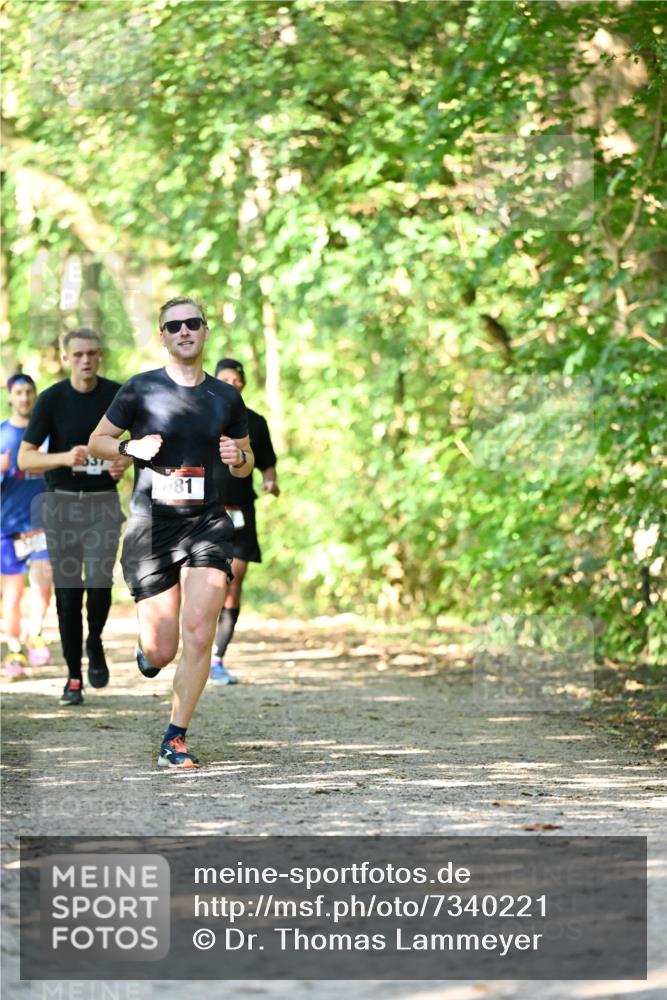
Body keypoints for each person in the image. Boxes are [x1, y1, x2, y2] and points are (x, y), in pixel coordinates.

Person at [88, 297, 253, 770]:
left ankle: (175, 737)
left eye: (192, 324)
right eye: (174, 325)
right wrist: (130, 446)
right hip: (153, 526)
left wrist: (238, 458)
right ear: (162, 335)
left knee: (199, 633)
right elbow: (98, 442)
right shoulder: (140, 390)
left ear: (205, 330)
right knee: (163, 648)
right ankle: (148, 651)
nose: (184, 331)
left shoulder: (225, 397)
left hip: (206, 523)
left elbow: (243, 464)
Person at [18, 329, 128, 705]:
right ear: (67, 358)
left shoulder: (117, 394)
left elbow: (141, 443)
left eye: (93, 353)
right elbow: (25, 457)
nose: (86, 360)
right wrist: (66, 457)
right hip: (62, 504)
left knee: (98, 585)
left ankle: (94, 640)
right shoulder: (51, 399)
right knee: (67, 596)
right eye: (79, 354)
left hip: (102, 505)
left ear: (100, 356)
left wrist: (123, 462)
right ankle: (73, 677)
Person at [210, 358, 280, 684]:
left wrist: (270, 481)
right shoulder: (202, 418)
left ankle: (217, 658)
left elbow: (267, 463)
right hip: (205, 511)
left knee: (232, 584)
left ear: (243, 384)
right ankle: (195, 648)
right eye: (225, 379)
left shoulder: (256, 422)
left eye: (237, 379)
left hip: (241, 511)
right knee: (205, 584)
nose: (232, 384)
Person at [1, 374, 53, 679]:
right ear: (10, 396)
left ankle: (35, 633)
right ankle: (14, 649)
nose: (24, 398)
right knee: (13, 594)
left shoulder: (46, 435)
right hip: (7, 526)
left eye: (29, 392)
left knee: (43, 586)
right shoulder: (2, 434)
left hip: (40, 524)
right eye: (19, 392)